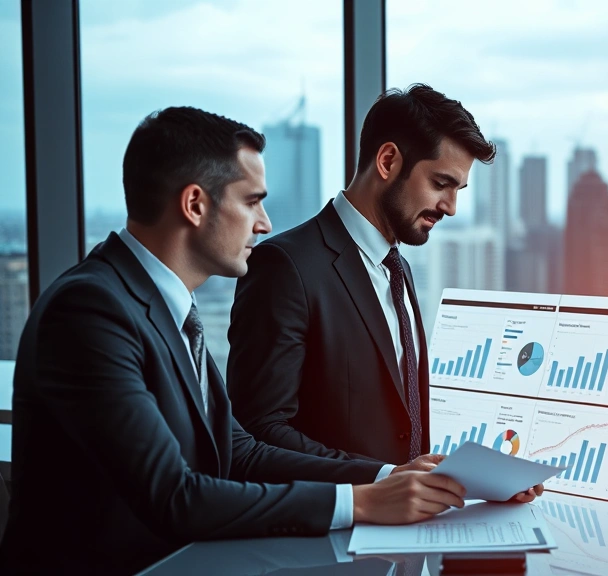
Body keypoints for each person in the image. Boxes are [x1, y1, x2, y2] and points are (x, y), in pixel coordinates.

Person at [0, 107, 470, 574]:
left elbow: (241, 451)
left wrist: (391, 477)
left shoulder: (168, 307)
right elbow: (176, 496)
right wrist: (358, 504)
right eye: (251, 202)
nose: (264, 224)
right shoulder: (89, 310)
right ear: (195, 205)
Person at [227, 85, 512, 468]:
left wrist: (474, 478)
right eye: (441, 184)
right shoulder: (285, 267)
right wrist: (383, 481)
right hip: (336, 523)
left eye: (458, 189)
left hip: (412, 522)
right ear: (388, 161)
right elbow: (258, 431)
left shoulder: (398, 269)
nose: (451, 207)